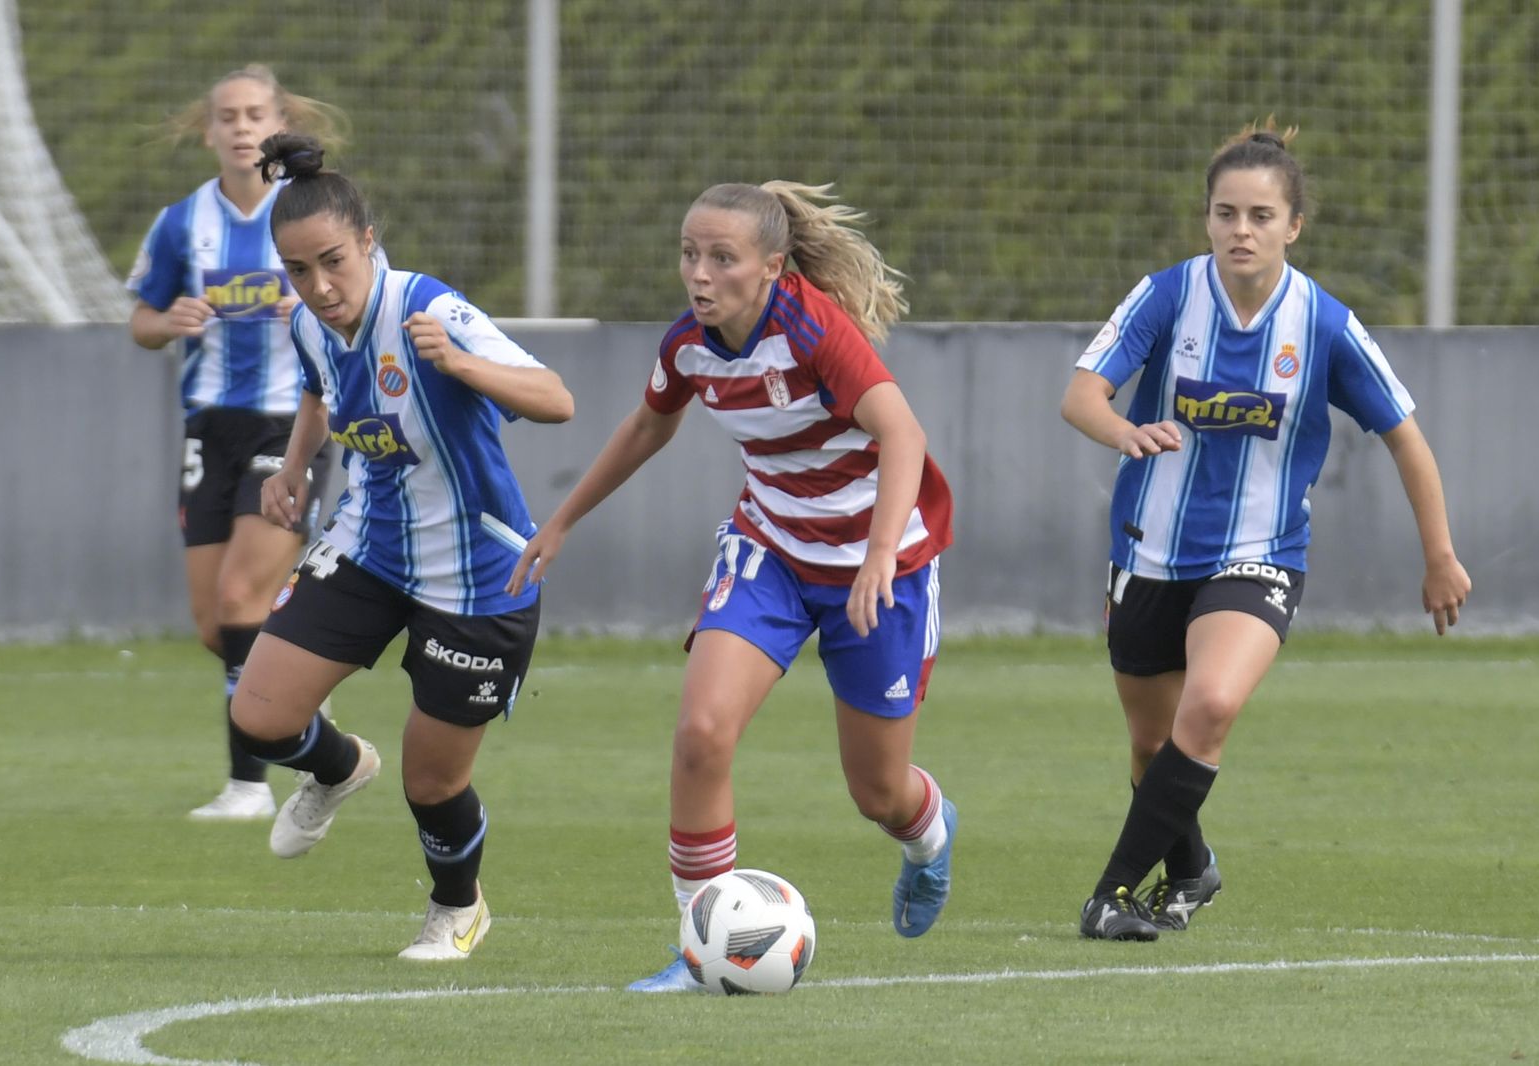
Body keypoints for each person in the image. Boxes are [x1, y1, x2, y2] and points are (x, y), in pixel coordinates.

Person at [507, 181, 958, 991]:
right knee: (701, 735)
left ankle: (928, 838)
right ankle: (697, 945)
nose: (699, 274)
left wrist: (881, 551)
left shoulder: (812, 328)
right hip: (771, 552)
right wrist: (563, 519)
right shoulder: (689, 344)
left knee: (879, 790)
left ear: (772, 267)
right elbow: (649, 424)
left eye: (722, 258)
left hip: (878, 567)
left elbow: (904, 433)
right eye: (690, 254)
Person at [1059, 119, 1472, 941]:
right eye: (1224, 213)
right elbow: (1080, 396)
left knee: (1208, 706)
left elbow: (1406, 437)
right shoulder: (1168, 297)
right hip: (1146, 551)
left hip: (1260, 555)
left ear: (1293, 226)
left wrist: (1440, 556)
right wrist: (1124, 432)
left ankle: (1110, 895)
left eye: (1258, 216)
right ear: (1206, 219)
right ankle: (1191, 867)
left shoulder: (1322, 323)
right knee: (1152, 747)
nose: (1239, 230)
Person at [227, 132, 574, 960]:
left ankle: (458, 909)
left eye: (334, 262)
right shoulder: (312, 321)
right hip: (372, 549)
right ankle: (339, 766)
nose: (319, 286)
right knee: (259, 717)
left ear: (369, 242)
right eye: (299, 270)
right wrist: (294, 469)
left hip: (478, 575)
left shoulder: (429, 311)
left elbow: (556, 398)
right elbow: (318, 392)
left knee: (434, 781)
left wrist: (461, 363)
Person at [126, 65, 344, 820]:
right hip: (208, 426)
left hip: (291, 423)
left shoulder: (307, 215)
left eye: (256, 113)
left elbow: (361, 301)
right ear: (209, 129)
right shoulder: (183, 222)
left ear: (278, 120)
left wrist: (314, 302)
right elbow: (142, 324)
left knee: (242, 597)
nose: (243, 126)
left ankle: (248, 786)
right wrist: (171, 320)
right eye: (228, 116)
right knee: (215, 625)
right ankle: (309, 730)